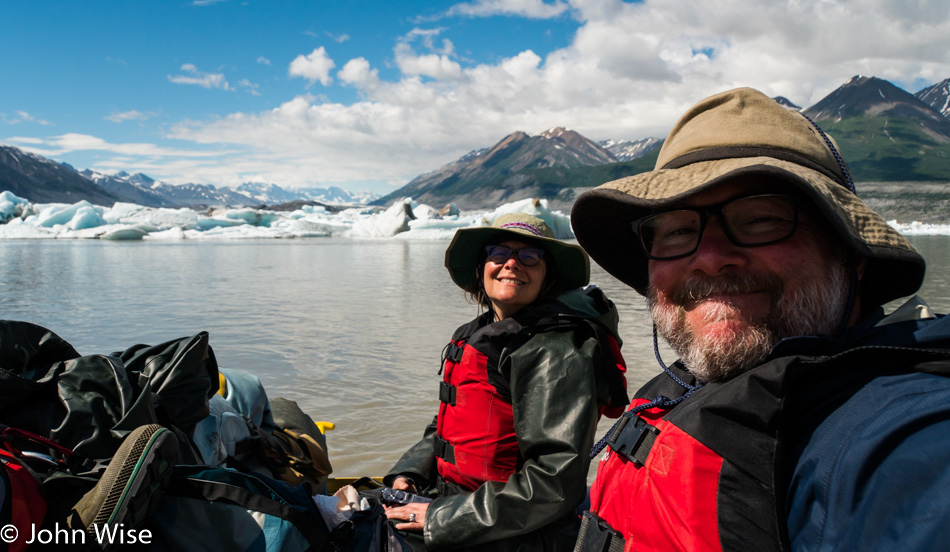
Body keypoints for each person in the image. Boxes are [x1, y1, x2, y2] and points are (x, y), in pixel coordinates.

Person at [569, 87, 950, 551]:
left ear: (851, 254)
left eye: (762, 219)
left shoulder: (894, 430)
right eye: (678, 230)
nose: (709, 259)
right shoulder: (703, 382)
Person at [383, 212, 630, 551]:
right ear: (482, 267)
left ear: (548, 276)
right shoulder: (481, 333)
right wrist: (410, 474)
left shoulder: (555, 349)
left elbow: (554, 481)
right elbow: (448, 425)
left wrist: (441, 518)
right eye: (499, 253)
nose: (511, 264)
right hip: (464, 509)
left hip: (516, 535)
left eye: (529, 256)